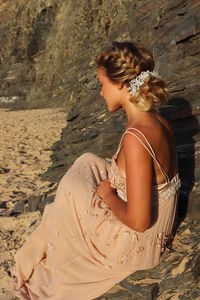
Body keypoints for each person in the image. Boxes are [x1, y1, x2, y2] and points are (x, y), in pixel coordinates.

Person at [11, 41, 181, 300]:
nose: (101, 93)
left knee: (70, 191)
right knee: (87, 162)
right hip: (160, 232)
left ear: (121, 84)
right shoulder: (159, 121)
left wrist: (107, 196)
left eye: (103, 84)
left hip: (136, 244)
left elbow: (139, 221)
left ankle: (54, 256)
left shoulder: (136, 137)